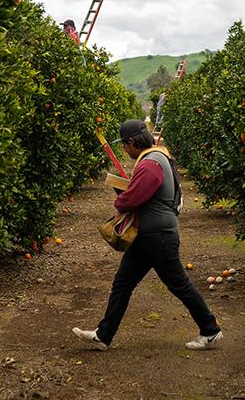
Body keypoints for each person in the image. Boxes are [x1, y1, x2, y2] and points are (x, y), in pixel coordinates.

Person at [72, 120, 222, 351]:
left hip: (158, 237)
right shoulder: (158, 157)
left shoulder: (151, 163)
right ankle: (104, 335)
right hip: (147, 236)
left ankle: (210, 330)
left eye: (124, 145)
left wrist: (120, 199)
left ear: (132, 142)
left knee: (178, 284)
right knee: (122, 284)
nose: (125, 150)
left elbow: (133, 198)